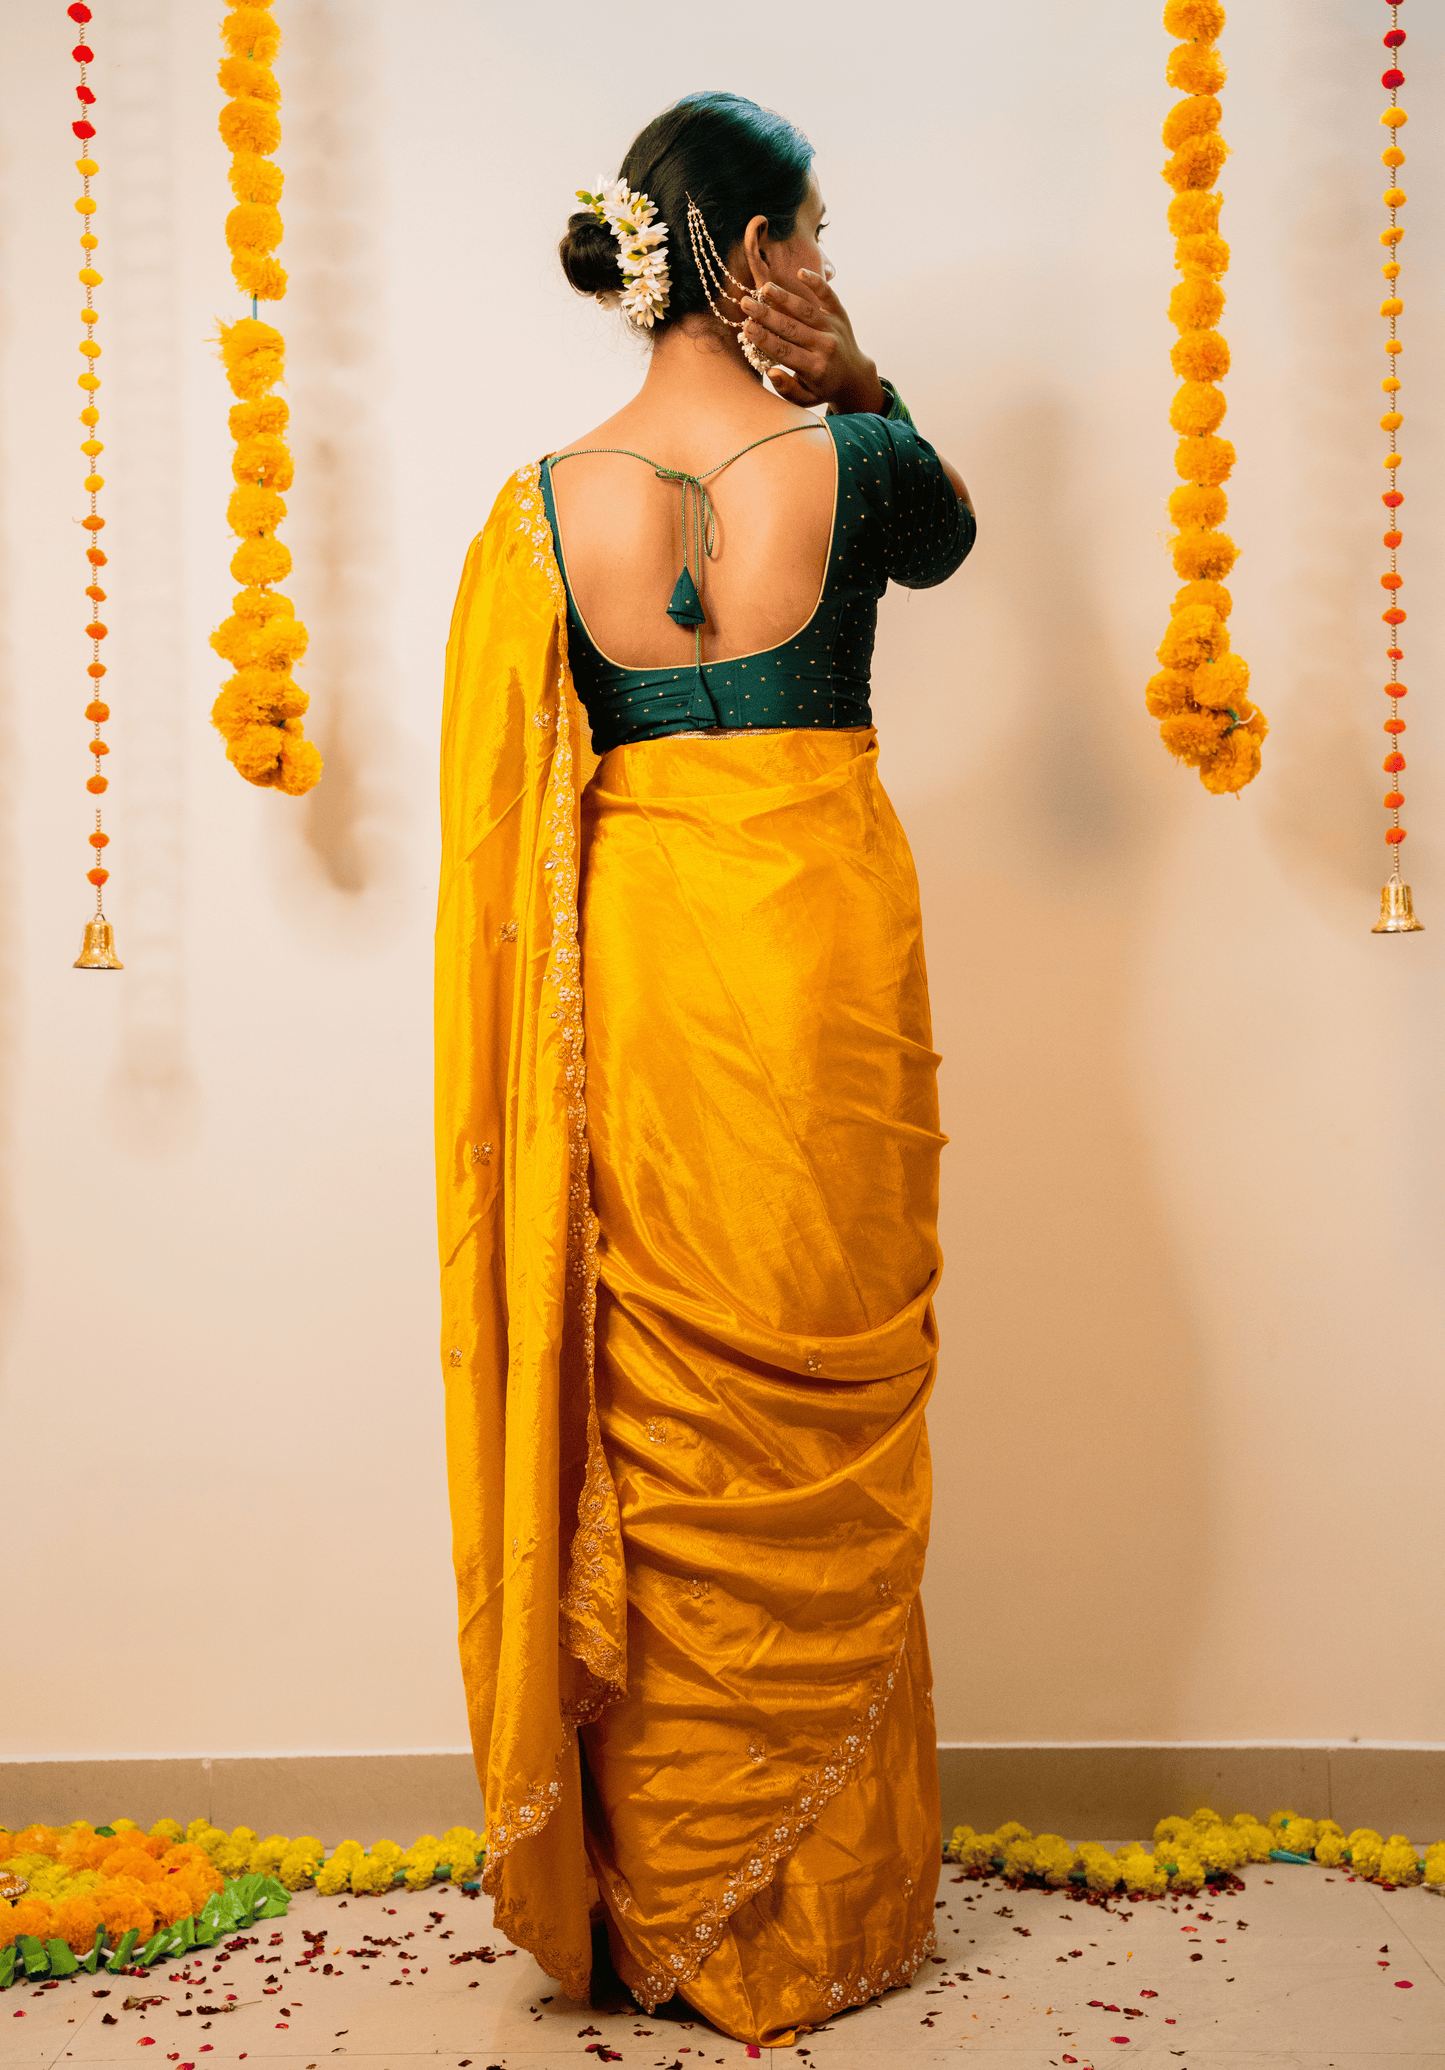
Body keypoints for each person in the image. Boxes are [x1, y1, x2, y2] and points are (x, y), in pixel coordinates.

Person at [434, 90, 974, 2050]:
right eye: (805, 232)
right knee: (817, 1360)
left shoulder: (535, 508)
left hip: (648, 971)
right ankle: (806, 1894)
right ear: (756, 253)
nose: (819, 258)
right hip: (818, 945)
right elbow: (947, 540)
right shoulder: (862, 460)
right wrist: (859, 372)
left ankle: (662, 1891)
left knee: (655, 1386)